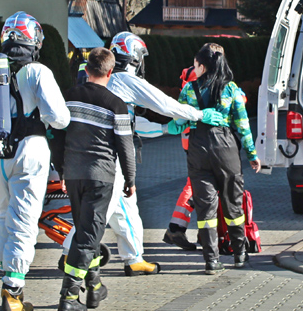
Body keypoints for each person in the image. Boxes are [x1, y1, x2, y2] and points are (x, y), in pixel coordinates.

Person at [60, 32, 224, 275]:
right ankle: (69, 255)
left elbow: (131, 124)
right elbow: (163, 103)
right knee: (97, 214)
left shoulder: (106, 82)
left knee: (124, 210)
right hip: (110, 160)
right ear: (134, 57)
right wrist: (198, 115)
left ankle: (133, 258)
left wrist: (163, 128)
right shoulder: (125, 80)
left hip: (92, 156)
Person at [0, 12, 70, 311]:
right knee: (25, 219)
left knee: (5, 212)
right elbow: (60, 117)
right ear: (34, 42)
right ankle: (13, 290)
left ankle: (7, 269)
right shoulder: (37, 72)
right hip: (30, 149)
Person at [55, 47, 136, 311]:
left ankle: (95, 285)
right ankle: (69, 295)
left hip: (73, 174)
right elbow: (125, 147)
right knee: (88, 236)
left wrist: (61, 169)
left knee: (85, 231)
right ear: (110, 73)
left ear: (86, 69)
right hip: (100, 176)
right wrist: (131, 178)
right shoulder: (116, 104)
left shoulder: (68, 97)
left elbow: (56, 135)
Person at [175, 43, 261, 274]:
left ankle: (211, 261)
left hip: (198, 148)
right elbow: (243, 126)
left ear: (202, 66)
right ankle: (239, 254)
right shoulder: (232, 89)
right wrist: (252, 155)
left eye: (195, 65)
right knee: (233, 204)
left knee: (205, 209)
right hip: (226, 149)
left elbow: (179, 121)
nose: (194, 69)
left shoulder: (188, 90)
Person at [163, 65, 203, 251]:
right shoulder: (202, 75)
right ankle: (176, 229)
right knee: (196, 184)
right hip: (199, 138)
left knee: (200, 184)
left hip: (189, 136)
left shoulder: (188, 73)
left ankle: (200, 232)